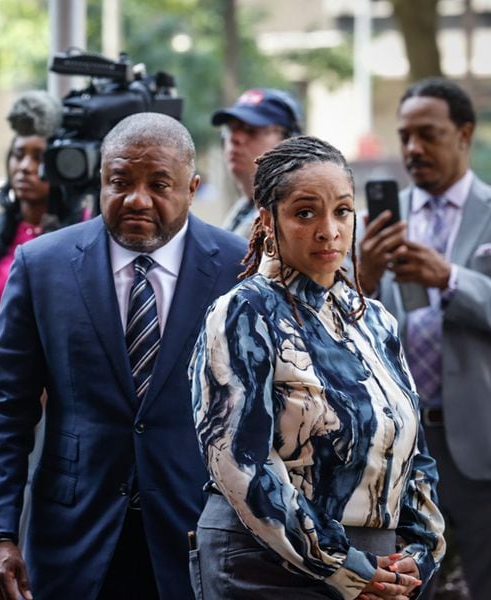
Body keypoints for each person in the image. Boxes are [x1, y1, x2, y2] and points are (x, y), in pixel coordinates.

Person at [0, 112, 248, 599]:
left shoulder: (238, 268)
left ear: (192, 187)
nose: (137, 199)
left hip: (198, 538)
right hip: (73, 540)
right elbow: (4, 409)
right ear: (101, 180)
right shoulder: (43, 266)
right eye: (120, 181)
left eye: (159, 184)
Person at [190, 135, 445, 600]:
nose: (329, 229)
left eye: (342, 210)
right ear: (268, 220)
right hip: (266, 565)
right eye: (305, 213)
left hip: (379, 566)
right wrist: (344, 566)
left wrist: (420, 552)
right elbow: (240, 463)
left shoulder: (373, 318)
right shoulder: (244, 312)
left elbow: (415, 456)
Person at [357, 77, 491, 597]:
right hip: (400, 445)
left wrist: (450, 279)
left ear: (464, 134)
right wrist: (364, 275)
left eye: (428, 135)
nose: (413, 149)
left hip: (479, 441)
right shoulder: (383, 220)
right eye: (405, 135)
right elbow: (351, 328)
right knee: (405, 586)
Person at [0, 90, 71, 344]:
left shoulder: (84, 230)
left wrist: (7, 326)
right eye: (18, 154)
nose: (24, 167)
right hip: (2, 376)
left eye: (39, 157)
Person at [211, 88, 303, 236]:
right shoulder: (246, 206)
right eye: (230, 128)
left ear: (289, 142)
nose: (235, 138)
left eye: (251, 130)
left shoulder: (298, 216)